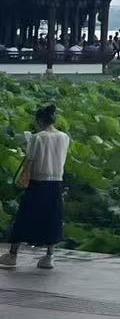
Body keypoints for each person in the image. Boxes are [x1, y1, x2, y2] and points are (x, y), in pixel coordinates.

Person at [2, 102, 70, 271]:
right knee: (52, 218)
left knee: (24, 217)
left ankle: (12, 255)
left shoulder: (37, 137)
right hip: (56, 182)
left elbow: (30, 162)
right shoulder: (64, 137)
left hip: (38, 182)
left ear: (39, 120)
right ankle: (49, 257)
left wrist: (23, 180)